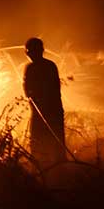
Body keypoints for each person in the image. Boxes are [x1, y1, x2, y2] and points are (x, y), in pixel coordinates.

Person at [22, 37, 66, 165]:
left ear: (40, 51)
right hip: (42, 110)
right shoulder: (46, 66)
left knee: (54, 142)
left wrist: (40, 101)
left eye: (32, 51)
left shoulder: (45, 67)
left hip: (51, 110)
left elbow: (54, 89)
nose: (30, 54)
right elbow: (27, 89)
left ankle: (59, 167)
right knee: (40, 142)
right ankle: (41, 166)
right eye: (29, 51)